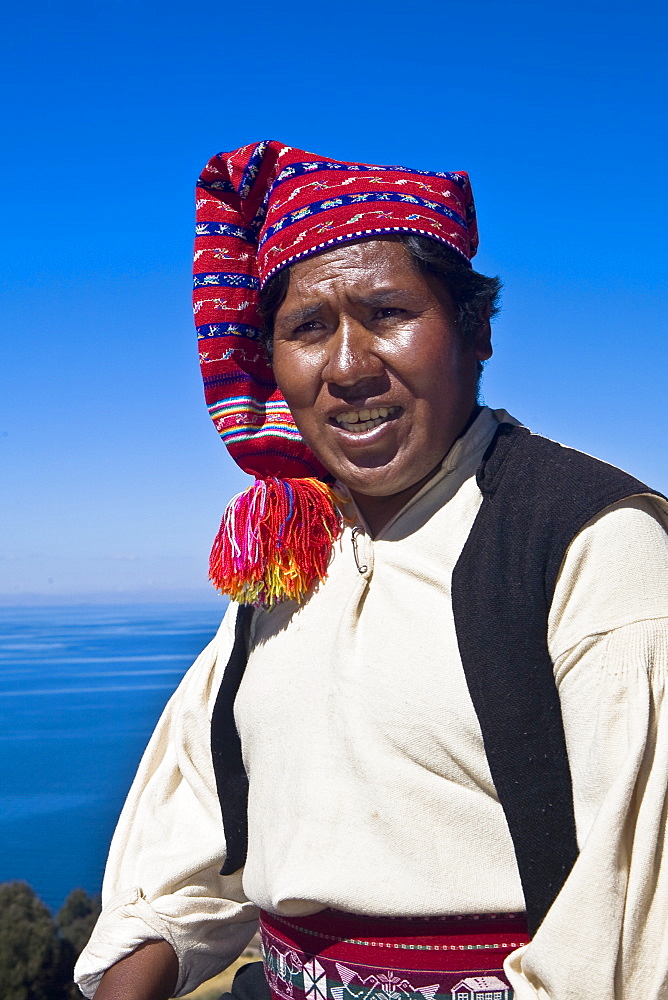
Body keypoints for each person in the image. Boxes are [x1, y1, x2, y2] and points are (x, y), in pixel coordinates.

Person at [75, 142, 668, 1000]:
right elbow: (192, 849)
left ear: (476, 331)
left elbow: (637, 916)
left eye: (387, 311)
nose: (348, 367)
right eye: (308, 328)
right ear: (272, 360)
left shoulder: (592, 542)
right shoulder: (284, 570)